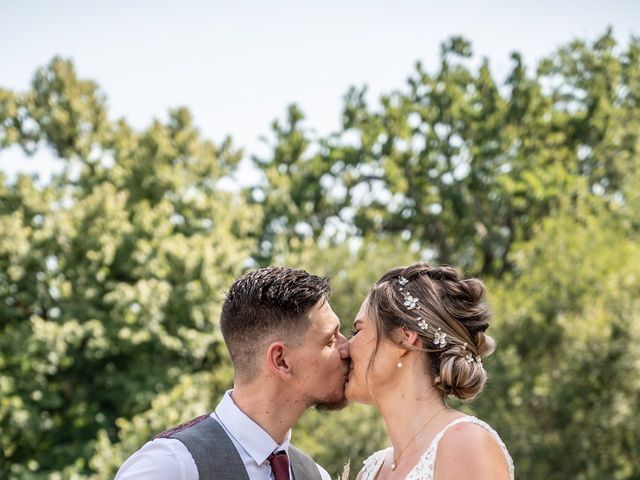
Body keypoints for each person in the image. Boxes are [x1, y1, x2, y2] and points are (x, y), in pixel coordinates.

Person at [116, 266, 351, 480]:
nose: (346, 348)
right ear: (281, 361)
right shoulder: (170, 467)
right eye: (330, 340)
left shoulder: (316, 476)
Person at [347, 263, 514, 479]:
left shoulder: (465, 445)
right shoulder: (370, 471)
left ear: (404, 340)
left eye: (357, 330)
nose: (345, 347)